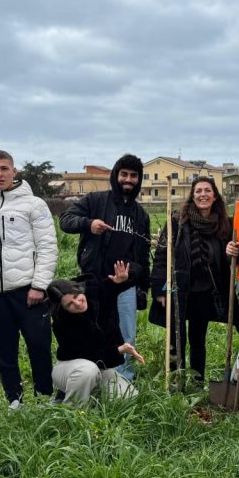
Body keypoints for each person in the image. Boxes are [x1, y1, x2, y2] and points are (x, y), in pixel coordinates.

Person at [60, 155, 151, 381]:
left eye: (133, 176)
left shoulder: (141, 215)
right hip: (94, 282)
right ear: (116, 175)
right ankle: (91, 377)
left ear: (138, 180)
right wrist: (88, 224)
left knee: (125, 334)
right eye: (124, 174)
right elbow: (65, 219)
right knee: (93, 331)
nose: (128, 180)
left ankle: (123, 379)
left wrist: (134, 277)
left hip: (124, 286)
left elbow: (142, 257)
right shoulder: (95, 201)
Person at [149, 176, 234, 383]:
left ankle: (197, 382)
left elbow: (226, 259)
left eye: (207, 190)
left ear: (214, 196)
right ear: (192, 196)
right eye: (198, 191)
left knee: (198, 341)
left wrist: (231, 253)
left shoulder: (223, 225)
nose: (202, 194)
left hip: (205, 293)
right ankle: (176, 382)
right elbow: (162, 257)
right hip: (178, 291)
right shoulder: (177, 222)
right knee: (175, 339)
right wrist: (160, 291)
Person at [46, 276, 144, 404]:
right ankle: (71, 411)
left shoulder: (96, 296)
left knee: (129, 397)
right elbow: (89, 355)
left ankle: (92, 401)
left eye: (76, 297)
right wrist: (118, 350)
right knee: (88, 370)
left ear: (80, 290)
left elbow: (113, 285)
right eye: (70, 304)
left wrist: (123, 280)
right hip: (71, 369)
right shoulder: (62, 324)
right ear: (64, 308)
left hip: (100, 368)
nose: (77, 303)